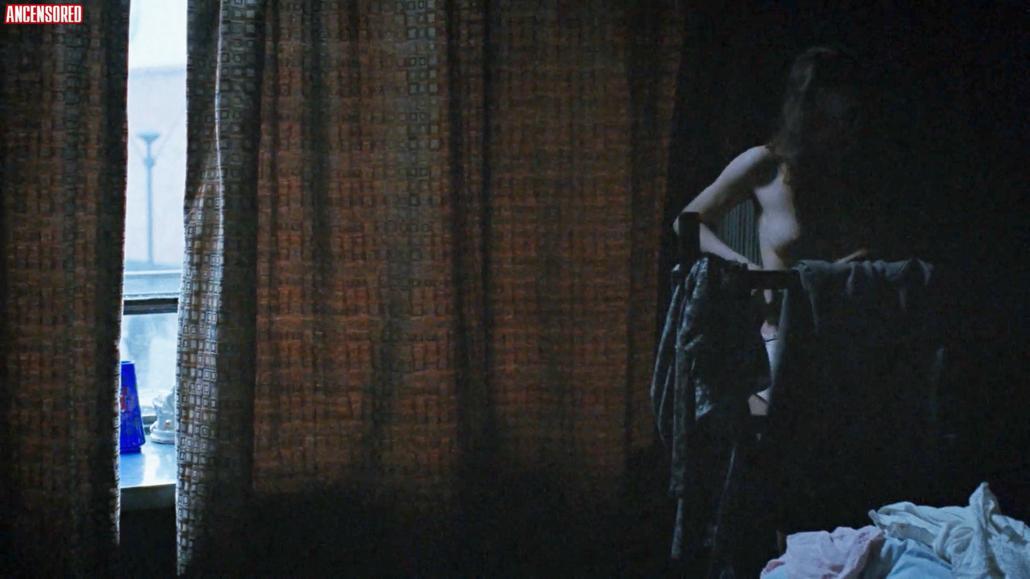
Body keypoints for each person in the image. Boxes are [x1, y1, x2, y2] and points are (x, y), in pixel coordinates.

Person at [675, 46, 875, 414]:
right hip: (781, 340)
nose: (838, 130)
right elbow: (686, 223)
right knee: (777, 422)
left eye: (847, 119)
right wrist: (746, 270)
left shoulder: (851, 175)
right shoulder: (767, 164)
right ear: (808, 105)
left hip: (846, 342)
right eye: (827, 119)